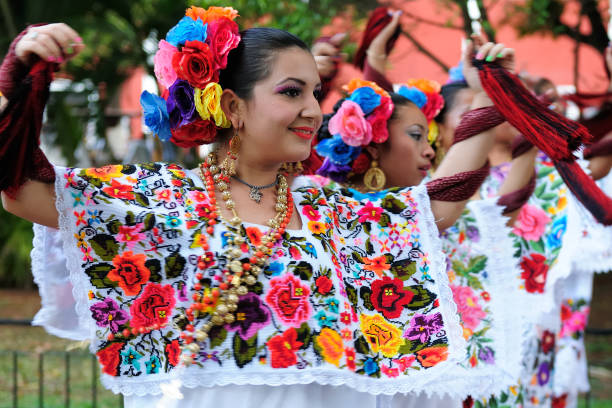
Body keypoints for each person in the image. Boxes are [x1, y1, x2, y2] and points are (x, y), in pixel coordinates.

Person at [0, 6, 520, 407]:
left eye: (316, 93)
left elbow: (440, 205)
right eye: (292, 92)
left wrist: (484, 98)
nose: (314, 111)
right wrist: (20, 81)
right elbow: (21, 189)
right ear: (232, 107)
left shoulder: (329, 208)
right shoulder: (163, 200)